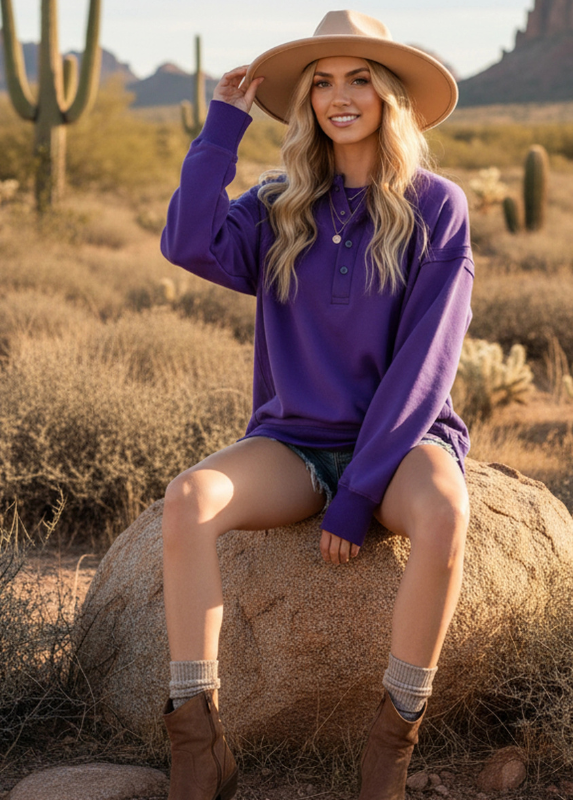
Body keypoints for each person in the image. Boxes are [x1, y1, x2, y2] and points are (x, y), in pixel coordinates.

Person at [159, 10, 474, 800]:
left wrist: (359, 495)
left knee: (443, 512)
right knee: (189, 498)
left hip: (400, 444)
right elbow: (188, 243)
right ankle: (198, 743)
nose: (339, 96)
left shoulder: (438, 206)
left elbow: (425, 364)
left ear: (389, 95)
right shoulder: (278, 205)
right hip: (294, 443)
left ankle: (389, 747)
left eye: (359, 78)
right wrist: (222, 128)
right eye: (322, 82)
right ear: (306, 104)